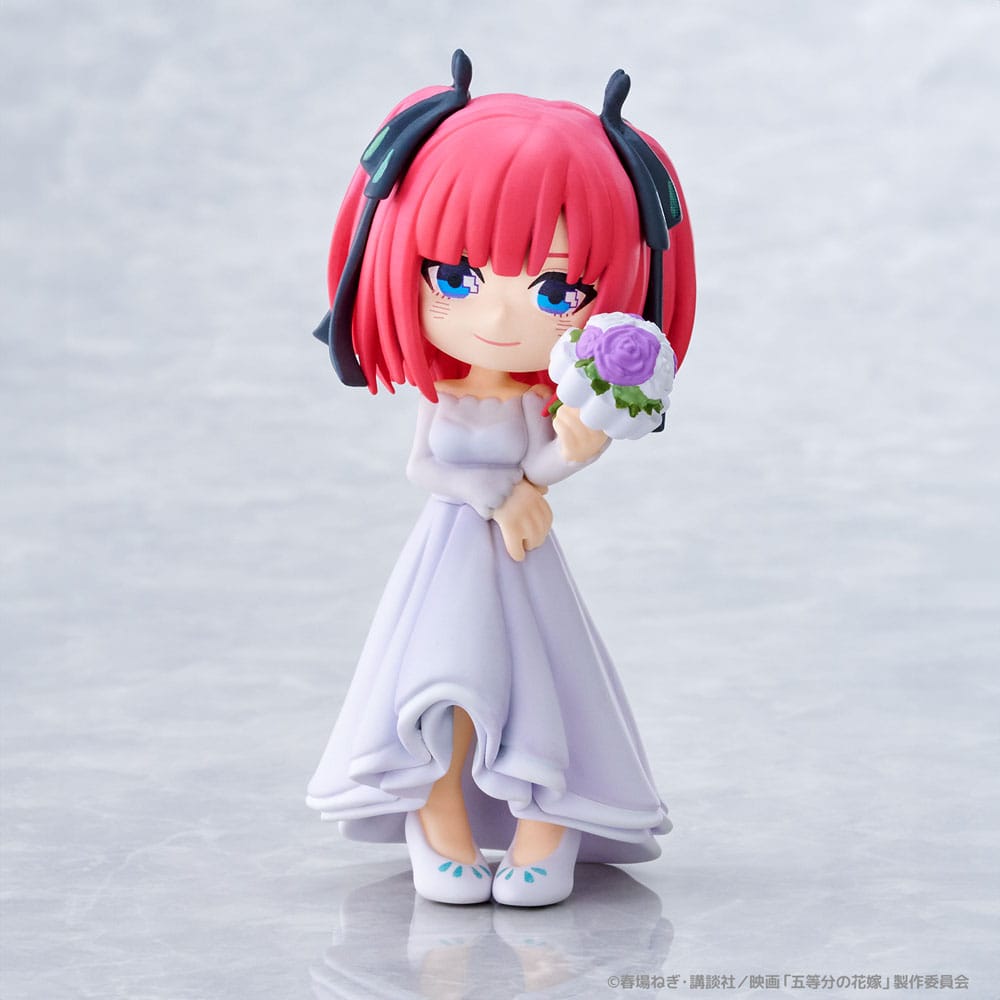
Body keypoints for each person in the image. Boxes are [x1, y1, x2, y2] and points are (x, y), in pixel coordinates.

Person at [307, 53, 695, 906]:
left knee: (537, 681)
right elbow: (424, 466)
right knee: (445, 680)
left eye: (556, 291)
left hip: (522, 558)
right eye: (454, 277)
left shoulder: (527, 400)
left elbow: (541, 465)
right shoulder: (444, 395)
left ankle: (544, 823)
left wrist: (577, 449)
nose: (494, 314)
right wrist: (500, 494)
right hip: (453, 551)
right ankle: (438, 811)